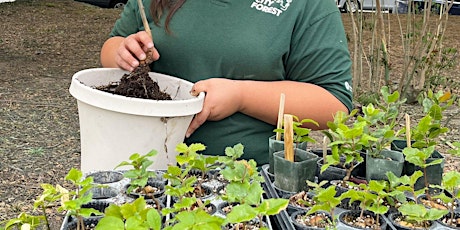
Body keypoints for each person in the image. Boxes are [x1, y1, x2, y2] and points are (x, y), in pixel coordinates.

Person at [100, 0, 353, 165]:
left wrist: (241, 96)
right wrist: (124, 53)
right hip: (146, 166)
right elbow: (112, 47)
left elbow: (332, 104)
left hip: (252, 181)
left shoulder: (307, 5)